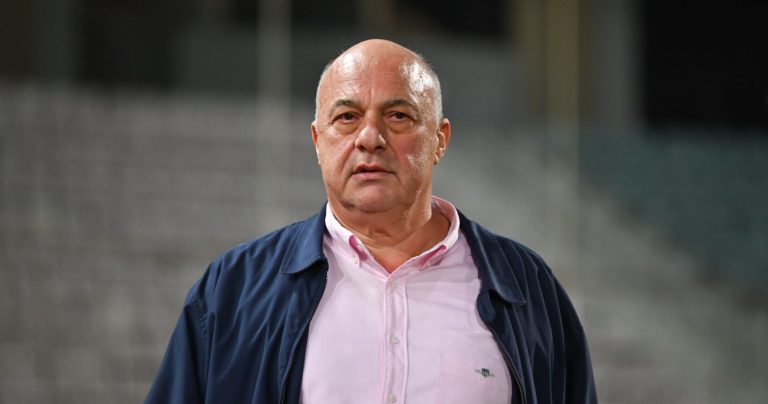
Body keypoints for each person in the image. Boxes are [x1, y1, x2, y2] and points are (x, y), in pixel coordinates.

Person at [145, 39, 597, 404]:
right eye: (347, 117)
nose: (370, 138)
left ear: (440, 140)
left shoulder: (528, 288)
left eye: (398, 116)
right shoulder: (232, 289)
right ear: (318, 141)